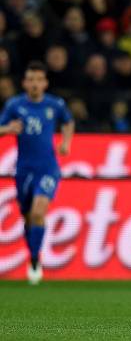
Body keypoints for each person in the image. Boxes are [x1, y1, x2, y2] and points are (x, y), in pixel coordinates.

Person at [0, 61, 74, 284]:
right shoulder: (15, 105)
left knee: (38, 212)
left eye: (38, 80)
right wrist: (8, 129)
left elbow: (68, 122)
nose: (34, 84)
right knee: (27, 216)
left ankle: (34, 259)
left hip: (48, 168)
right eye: (30, 79)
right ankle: (33, 254)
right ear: (24, 82)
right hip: (24, 169)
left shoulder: (55, 104)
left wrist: (66, 142)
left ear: (45, 83)